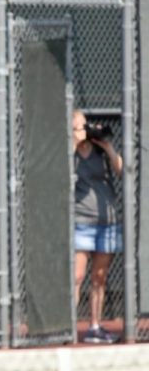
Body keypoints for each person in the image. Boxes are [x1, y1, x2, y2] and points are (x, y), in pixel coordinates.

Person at [72, 109, 123, 343]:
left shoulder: (99, 151)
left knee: (99, 277)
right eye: (78, 127)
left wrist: (107, 146)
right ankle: (69, 327)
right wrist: (74, 144)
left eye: (85, 126)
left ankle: (94, 326)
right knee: (77, 276)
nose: (84, 130)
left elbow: (121, 169)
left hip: (106, 221)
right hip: (81, 221)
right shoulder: (69, 153)